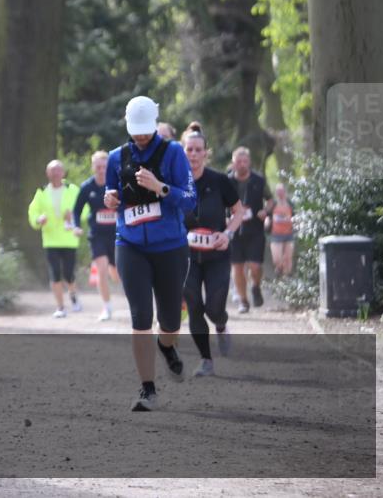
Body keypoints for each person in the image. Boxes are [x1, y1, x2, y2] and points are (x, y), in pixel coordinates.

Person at [104, 96, 196, 411]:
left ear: (155, 124)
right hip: (130, 245)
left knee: (169, 320)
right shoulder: (117, 157)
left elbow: (189, 201)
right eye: (135, 130)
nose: (141, 136)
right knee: (141, 317)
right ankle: (147, 389)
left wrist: (160, 187)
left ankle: (166, 345)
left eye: (145, 130)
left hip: (170, 247)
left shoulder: (174, 153)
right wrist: (111, 198)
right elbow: (111, 193)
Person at [180, 123, 246, 377]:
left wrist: (227, 233)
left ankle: (220, 323)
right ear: (183, 152)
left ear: (206, 153)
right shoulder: (175, 183)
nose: (193, 154)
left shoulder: (220, 181)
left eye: (198, 150)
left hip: (217, 254)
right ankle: (206, 359)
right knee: (194, 305)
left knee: (214, 307)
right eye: (189, 149)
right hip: (187, 257)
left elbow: (239, 211)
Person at [28, 160, 83, 317]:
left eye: (58, 170)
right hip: (50, 239)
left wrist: (72, 216)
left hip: (69, 239)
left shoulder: (73, 190)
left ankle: (73, 295)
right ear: (47, 174)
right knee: (55, 274)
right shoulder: (42, 192)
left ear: (63, 172)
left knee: (68, 274)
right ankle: (60, 307)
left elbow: (84, 210)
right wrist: (38, 219)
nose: (55, 173)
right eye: (52, 171)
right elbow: (33, 212)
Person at [73, 150, 119, 320]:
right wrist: (76, 226)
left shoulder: (117, 184)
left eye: (104, 166)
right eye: (98, 166)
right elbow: (76, 211)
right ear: (93, 167)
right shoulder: (87, 187)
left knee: (117, 275)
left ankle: (133, 301)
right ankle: (106, 307)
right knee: (101, 269)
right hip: (97, 235)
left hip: (118, 236)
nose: (101, 170)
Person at [227, 146, 273, 313]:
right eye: (238, 161)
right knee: (237, 267)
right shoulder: (227, 181)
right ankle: (243, 301)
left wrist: (265, 211)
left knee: (255, 266)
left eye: (245, 161)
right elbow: (219, 202)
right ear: (233, 163)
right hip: (233, 229)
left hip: (254, 229)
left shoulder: (258, 180)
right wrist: (224, 216)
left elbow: (270, 200)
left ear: (249, 163)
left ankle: (255, 286)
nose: (242, 164)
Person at [268, 182, 295, 276]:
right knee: (277, 259)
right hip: (276, 234)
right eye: (277, 191)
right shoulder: (273, 203)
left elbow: (295, 216)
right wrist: (267, 221)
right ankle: (279, 268)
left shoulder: (290, 203)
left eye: (281, 191)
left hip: (289, 234)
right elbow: (267, 214)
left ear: (285, 191)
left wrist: (294, 220)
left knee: (288, 258)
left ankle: (286, 279)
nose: (279, 193)